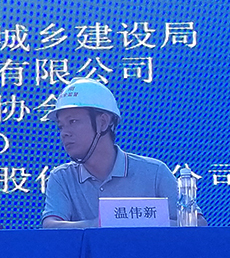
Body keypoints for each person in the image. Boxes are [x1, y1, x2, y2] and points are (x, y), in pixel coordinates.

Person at [41, 78, 206, 228]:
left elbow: (197, 224)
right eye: (61, 126)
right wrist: (100, 224)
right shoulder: (62, 177)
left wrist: (143, 223)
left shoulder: (155, 172)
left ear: (103, 122)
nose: (64, 133)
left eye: (73, 121)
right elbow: (50, 227)